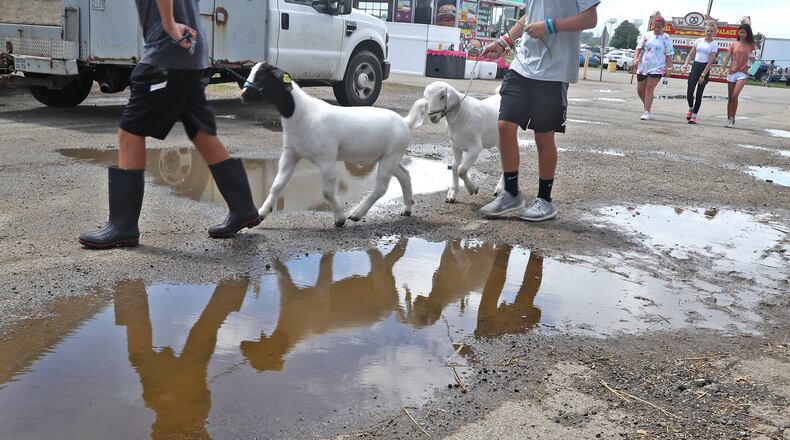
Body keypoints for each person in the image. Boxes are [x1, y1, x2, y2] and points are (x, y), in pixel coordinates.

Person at [79, 0, 261, 249]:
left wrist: (168, 24)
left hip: (168, 51)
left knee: (131, 131)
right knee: (202, 132)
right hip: (190, 54)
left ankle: (122, 226)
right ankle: (243, 208)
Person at [478, 0, 599, 222]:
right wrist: (504, 41)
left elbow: (590, 18)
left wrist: (549, 26)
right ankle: (511, 193)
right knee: (504, 125)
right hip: (522, 65)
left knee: (543, 136)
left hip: (555, 71)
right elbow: (529, 16)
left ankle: (545, 200)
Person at [631, 13, 674, 121]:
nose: (657, 29)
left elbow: (669, 54)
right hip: (643, 65)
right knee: (640, 90)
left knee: (649, 87)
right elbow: (638, 48)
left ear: (663, 27)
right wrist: (635, 60)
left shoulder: (666, 38)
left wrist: (669, 68)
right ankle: (647, 104)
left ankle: (647, 112)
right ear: (652, 25)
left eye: (659, 27)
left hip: (657, 66)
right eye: (655, 26)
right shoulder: (646, 35)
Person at [681, 21, 719, 124]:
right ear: (705, 31)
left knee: (699, 94)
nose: (709, 32)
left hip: (705, 68)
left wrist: (703, 75)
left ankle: (694, 115)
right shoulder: (698, 41)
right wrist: (686, 64)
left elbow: (710, 61)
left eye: (711, 31)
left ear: (714, 32)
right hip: (695, 66)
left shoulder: (714, 45)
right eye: (707, 30)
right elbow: (690, 55)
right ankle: (690, 107)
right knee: (690, 90)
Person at [721, 23, 756, 128]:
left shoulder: (752, 45)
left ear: (747, 33)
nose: (742, 34)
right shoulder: (734, 44)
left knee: (735, 96)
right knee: (730, 98)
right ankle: (729, 119)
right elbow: (727, 58)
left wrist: (751, 70)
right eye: (740, 32)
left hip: (742, 73)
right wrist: (722, 68)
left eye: (744, 32)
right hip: (732, 72)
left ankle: (733, 118)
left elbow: (755, 60)